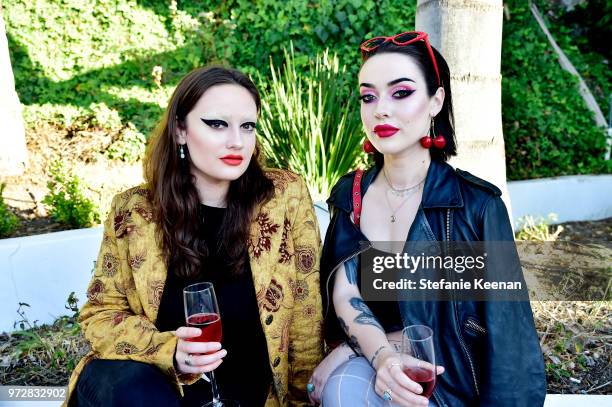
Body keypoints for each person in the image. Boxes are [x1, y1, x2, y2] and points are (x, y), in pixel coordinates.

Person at [308, 31, 546, 406]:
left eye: (400, 93)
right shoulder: (349, 195)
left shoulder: (477, 207)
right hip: (379, 374)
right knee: (342, 388)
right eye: (368, 96)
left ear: (436, 101)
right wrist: (381, 354)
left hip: (449, 389)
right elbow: (346, 295)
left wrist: (349, 350)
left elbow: (509, 340)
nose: (380, 109)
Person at [63, 66, 323, 407]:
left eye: (248, 126)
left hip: (248, 397)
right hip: (153, 394)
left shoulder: (284, 197)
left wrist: (303, 401)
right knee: (135, 389)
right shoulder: (134, 211)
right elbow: (100, 314)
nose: (236, 141)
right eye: (217, 124)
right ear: (180, 130)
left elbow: (307, 316)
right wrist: (169, 351)